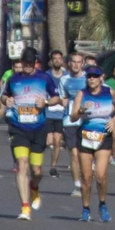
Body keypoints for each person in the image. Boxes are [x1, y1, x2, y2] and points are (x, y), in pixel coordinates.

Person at [2, 49, 61, 221]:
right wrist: (7, 101)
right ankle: (25, 207)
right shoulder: (14, 79)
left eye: (30, 62)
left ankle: (34, 187)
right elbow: (4, 96)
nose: (27, 65)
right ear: (21, 61)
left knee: (36, 171)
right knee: (22, 164)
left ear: (35, 61)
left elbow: (57, 98)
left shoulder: (44, 78)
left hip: (38, 128)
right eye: (24, 62)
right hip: (18, 128)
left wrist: (47, 102)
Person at [70, 66, 115, 223]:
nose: (92, 79)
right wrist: (81, 111)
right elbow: (72, 117)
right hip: (85, 137)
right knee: (86, 177)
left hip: (103, 137)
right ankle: (85, 209)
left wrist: (114, 119)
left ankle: (102, 204)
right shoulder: (82, 94)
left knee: (100, 175)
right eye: (89, 76)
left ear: (101, 78)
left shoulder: (109, 92)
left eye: (95, 76)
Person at [58, 52, 88, 193]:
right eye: (73, 62)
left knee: (85, 154)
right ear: (69, 64)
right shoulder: (64, 80)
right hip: (69, 120)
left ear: (82, 64)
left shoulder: (89, 78)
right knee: (74, 154)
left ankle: (86, 180)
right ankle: (77, 185)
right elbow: (61, 98)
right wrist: (61, 101)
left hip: (87, 121)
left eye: (78, 62)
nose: (76, 64)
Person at [43, 49, 70, 179]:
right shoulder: (46, 75)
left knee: (57, 142)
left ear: (62, 60)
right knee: (49, 142)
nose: (57, 61)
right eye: (55, 59)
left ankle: (53, 167)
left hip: (61, 114)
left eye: (59, 58)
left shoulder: (67, 76)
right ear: (51, 61)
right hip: (48, 113)